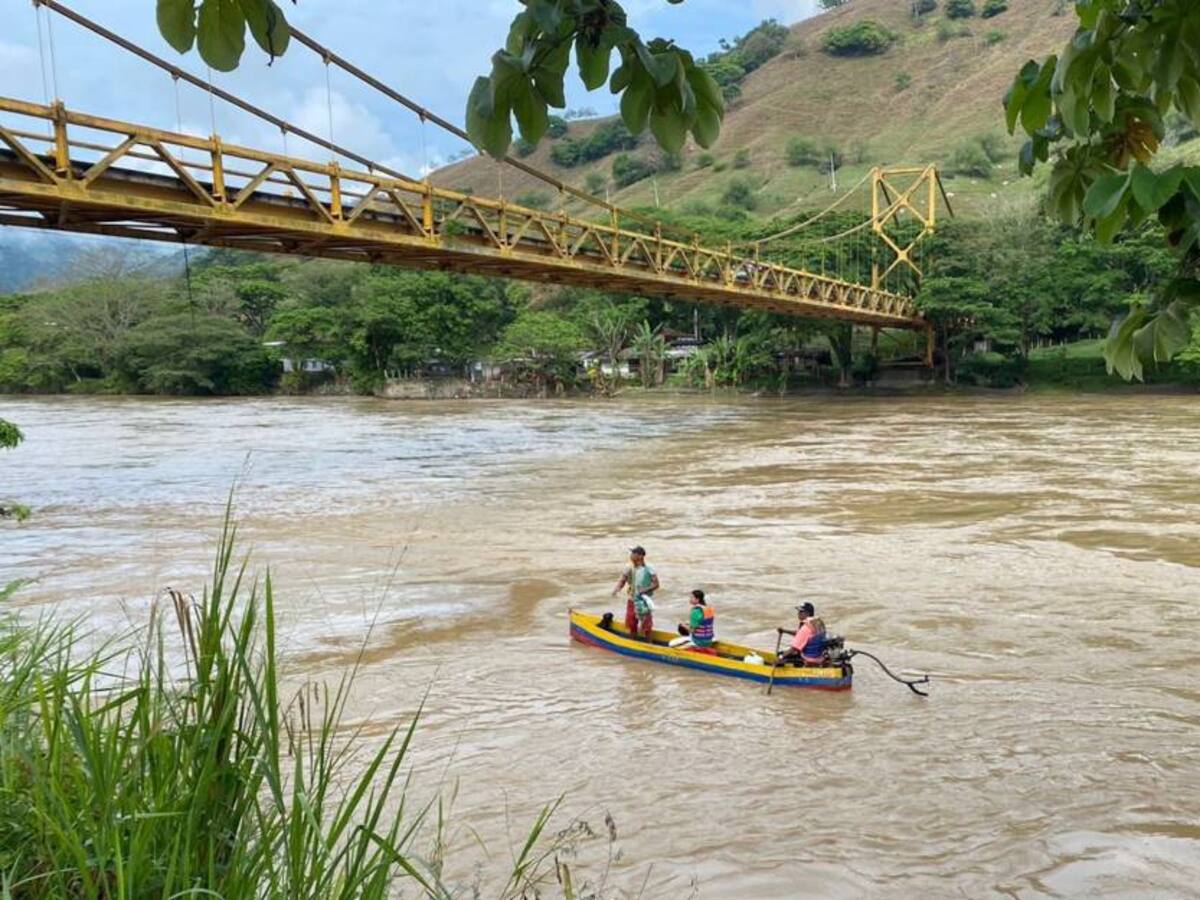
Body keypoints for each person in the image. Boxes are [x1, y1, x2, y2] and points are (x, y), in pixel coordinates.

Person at [611, 545, 659, 639]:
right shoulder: (629, 567)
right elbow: (622, 580)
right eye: (632, 553)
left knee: (646, 624)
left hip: (644, 600)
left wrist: (644, 590)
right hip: (632, 599)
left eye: (634, 553)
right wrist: (616, 590)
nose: (631, 555)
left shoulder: (649, 568)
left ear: (640, 556)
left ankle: (648, 643)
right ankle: (632, 641)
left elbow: (656, 584)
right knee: (631, 622)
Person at [669, 589, 717, 654]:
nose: (690, 599)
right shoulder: (709, 609)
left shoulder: (695, 611)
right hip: (709, 640)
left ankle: (694, 649)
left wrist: (683, 626)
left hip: (698, 641)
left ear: (697, 600)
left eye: (692, 597)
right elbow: (703, 623)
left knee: (671, 644)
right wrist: (689, 623)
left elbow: (692, 630)